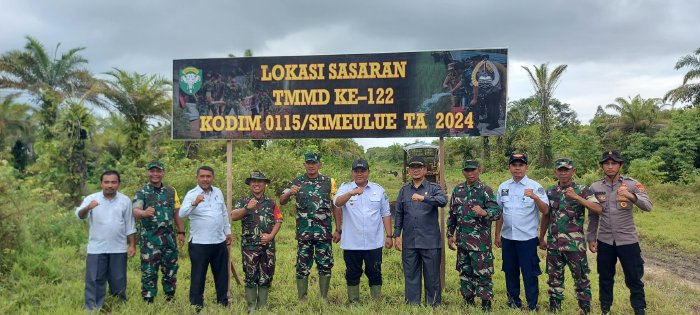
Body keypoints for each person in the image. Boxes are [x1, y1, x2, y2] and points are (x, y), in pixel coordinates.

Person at [587, 150, 653, 315]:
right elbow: (593, 215)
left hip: (628, 240)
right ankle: (605, 309)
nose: (610, 167)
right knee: (605, 278)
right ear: (602, 166)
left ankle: (639, 309)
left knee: (634, 277)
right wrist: (591, 238)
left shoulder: (631, 184)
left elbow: (648, 206)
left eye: (613, 163)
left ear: (620, 165)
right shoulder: (595, 187)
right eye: (606, 164)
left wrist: (631, 196)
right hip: (605, 240)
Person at [540, 158, 602, 314]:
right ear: (555, 172)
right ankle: (555, 308)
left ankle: (585, 309)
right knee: (554, 279)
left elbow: (598, 209)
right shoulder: (550, 191)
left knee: (581, 278)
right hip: (554, 244)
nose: (563, 173)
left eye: (566, 170)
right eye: (560, 170)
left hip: (575, 244)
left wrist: (577, 198)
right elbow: (547, 215)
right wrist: (542, 237)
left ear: (573, 171)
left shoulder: (582, 190)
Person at [279, 152, 339, 301]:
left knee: (325, 265)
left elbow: (335, 205)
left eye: (314, 163)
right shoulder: (296, 182)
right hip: (304, 233)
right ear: (304, 164)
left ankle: (323, 298)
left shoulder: (328, 181)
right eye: (308, 163)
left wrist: (338, 228)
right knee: (302, 266)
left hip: (324, 233)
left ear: (319, 164)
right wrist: (289, 193)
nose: (311, 165)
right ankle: (302, 298)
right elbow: (282, 200)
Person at [333, 159, 393, 303]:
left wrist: (389, 235)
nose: (359, 174)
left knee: (375, 272)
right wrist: (351, 193)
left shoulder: (378, 190)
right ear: (352, 172)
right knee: (352, 273)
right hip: (352, 243)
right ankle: (354, 302)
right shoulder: (345, 188)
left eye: (363, 171)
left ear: (368, 172)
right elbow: (337, 203)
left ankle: (376, 301)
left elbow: (385, 213)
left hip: (374, 242)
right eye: (356, 171)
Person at [495, 153, 549, 311]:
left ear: (526, 167)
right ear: (509, 167)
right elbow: (500, 212)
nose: (517, 168)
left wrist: (535, 197)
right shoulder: (503, 187)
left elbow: (545, 210)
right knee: (510, 272)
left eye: (521, 165)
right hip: (508, 238)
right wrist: (497, 234)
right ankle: (513, 303)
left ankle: (532, 305)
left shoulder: (535, 186)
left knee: (529, 273)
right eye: (514, 165)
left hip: (527, 238)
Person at [75, 170, 136, 310]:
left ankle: (118, 307)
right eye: (106, 182)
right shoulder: (92, 199)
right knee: (95, 280)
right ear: (101, 184)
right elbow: (80, 215)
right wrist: (88, 208)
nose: (110, 185)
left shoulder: (125, 200)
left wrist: (132, 245)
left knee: (118, 281)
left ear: (119, 184)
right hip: (96, 249)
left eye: (113, 182)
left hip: (119, 248)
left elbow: (130, 225)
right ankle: (92, 309)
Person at [447, 159, 501, 312]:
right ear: (463, 172)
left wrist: (485, 212)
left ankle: (485, 304)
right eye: (467, 170)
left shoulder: (486, 190)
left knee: (483, 274)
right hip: (463, 242)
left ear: (479, 170)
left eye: (473, 170)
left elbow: (497, 212)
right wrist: (450, 234)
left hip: (481, 244)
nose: (470, 173)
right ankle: (468, 301)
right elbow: (452, 215)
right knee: (465, 273)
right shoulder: (458, 190)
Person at [393, 156, 447, 307]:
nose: (415, 170)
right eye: (412, 167)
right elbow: (399, 214)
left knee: (432, 275)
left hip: (430, 241)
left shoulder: (433, 188)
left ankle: (433, 305)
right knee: (411, 275)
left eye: (419, 167)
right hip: (410, 241)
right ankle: (412, 305)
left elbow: (443, 201)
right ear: (408, 170)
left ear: (425, 170)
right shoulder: (404, 190)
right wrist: (397, 235)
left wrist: (424, 198)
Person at [179, 166, 232, 311]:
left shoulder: (218, 192)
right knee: (198, 276)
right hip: (199, 244)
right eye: (202, 176)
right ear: (197, 178)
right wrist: (194, 203)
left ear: (212, 178)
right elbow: (182, 214)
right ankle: (196, 305)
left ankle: (223, 302)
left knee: (222, 275)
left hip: (219, 241)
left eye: (208, 176)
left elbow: (224, 213)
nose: (205, 179)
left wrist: (227, 232)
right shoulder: (192, 194)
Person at [132, 160, 185, 303]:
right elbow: (135, 210)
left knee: (171, 270)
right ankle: (148, 301)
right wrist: (143, 213)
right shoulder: (142, 192)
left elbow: (176, 213)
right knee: (149, 271)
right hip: (150, 241)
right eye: (152, 171)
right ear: (148, 173)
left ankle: (170, 298)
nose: (155, 174)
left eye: (158, 171)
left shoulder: (171, 191)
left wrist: (181, 232)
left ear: (163, 173)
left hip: (169, 239)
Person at [230, 170, 283, 312]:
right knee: (250, 274)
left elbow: (279, 220)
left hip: (268, 246)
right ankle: (251, 306)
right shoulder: (243, 201)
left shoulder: (271, 202)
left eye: (260, 181)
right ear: (250, 184)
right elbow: (233, 216)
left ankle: (262, 306)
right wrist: (247, 208)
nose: (257, 184)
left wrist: (271, 235)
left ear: (265, 184)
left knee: (267, 274)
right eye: (253, 181)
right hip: (249, 246)